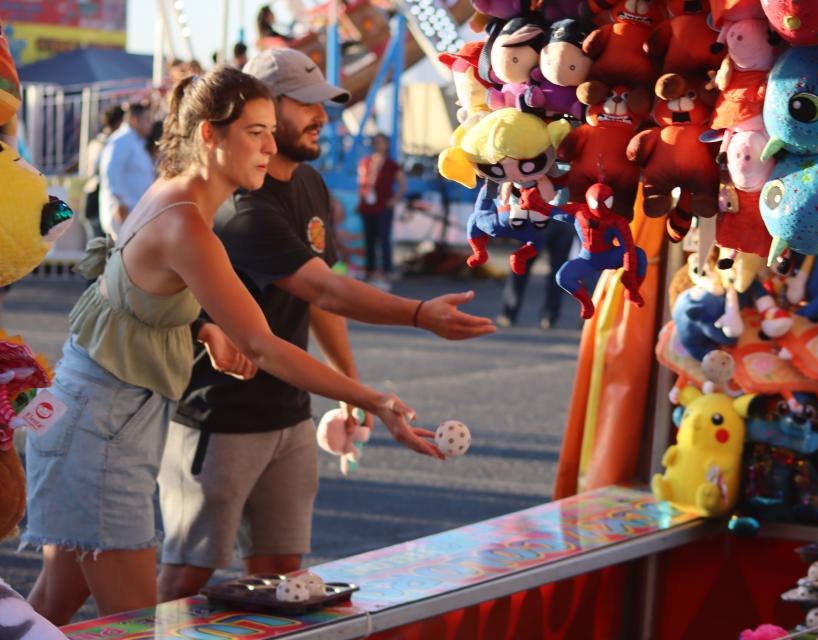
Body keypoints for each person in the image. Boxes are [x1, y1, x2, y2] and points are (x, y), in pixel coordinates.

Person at [23, 65, 450, 624]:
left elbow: (124, 289)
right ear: (209, 133)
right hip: (101, 432)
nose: (271, 148)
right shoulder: (186, 221)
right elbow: (267, 345)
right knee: (136, 627)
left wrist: (202, 328)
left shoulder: (174, 195)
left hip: (91, 417)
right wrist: (377, 400)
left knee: (51, 608)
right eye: (256, 132)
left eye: (273, 131)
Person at [156, 48, 494, 601]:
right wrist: (416, 314)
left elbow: (319, 298)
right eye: (305, 104)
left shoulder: (309, 184)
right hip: (220, 414)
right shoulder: (241, 206)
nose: (322, 116)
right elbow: (323, 288)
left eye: (324, 104)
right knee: (188, 571)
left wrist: (350, 390)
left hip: (291, 408)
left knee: (282, 571)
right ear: (258, 111)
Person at [496, 219, 577, 329]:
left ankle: (509, 313)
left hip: (538, 220)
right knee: (558, 271)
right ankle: (549, 316)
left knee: (520, 265)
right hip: (564, 222)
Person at [97, 101, 156, 239]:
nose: (151, 124)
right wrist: (120, 203)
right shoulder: (121, 140)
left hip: (135, 214)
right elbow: (110, 172)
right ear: (135, 120)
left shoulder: (135, 142)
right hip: (124, 214)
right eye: (147, 120)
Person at [357, 133, 406, 289]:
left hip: (384, 206)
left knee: (384, 238)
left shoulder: (392, 165)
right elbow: (361, 183)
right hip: (368, 206)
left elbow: (402, 185)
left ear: (386, 145)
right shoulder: (365, 163)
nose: (378, 145)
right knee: (369, 239)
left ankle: (386, 270)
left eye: (381, 142)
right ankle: (370, 270)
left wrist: (395, 199)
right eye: (376, 142)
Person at [82, 105, 124, 238]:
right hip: (98, 201)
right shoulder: (110, 145)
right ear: (119, 122)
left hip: (91, 198)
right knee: (101, 250)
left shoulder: (95, 142)